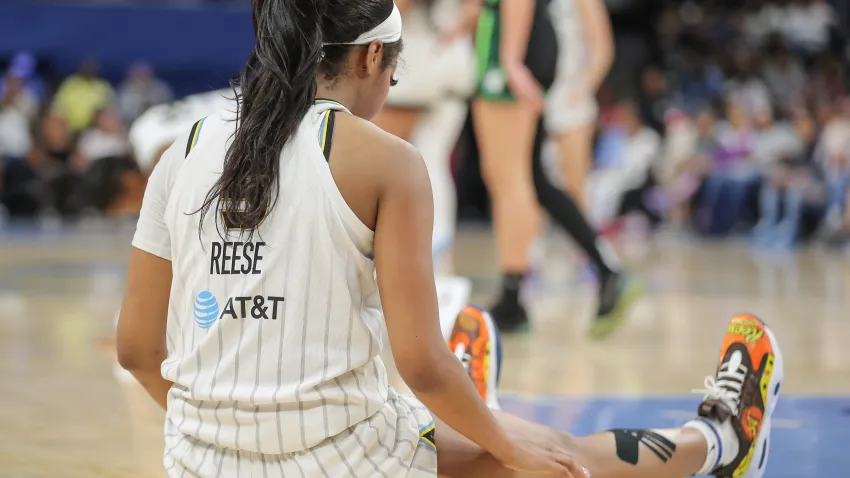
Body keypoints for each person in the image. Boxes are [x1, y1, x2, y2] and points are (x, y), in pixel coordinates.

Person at [117, 1, 783, 476]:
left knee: (453, 420)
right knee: (549, 452)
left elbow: (138, 349)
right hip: (348, 461)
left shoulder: (184, 151)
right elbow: (421, 362)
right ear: (373, 54)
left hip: (198, 460)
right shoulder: (385, 160)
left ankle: (470, 404)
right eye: (394, 71)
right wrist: (511, 447)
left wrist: (238, 437)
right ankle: (723, 439)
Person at [464, 0, 636, 335]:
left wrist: (511, 59)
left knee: (513, 179)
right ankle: (604, 269)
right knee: (533, 180)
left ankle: (516, 294)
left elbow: (602, 48)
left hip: (526, 59)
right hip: (527, 52)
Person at [370, 0, 475, 273]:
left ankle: (423, 251)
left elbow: (394, 8)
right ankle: (438, 254)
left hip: (421, 60)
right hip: (451, 56)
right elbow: (476, 9)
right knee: (433, 160)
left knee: (390, 162)